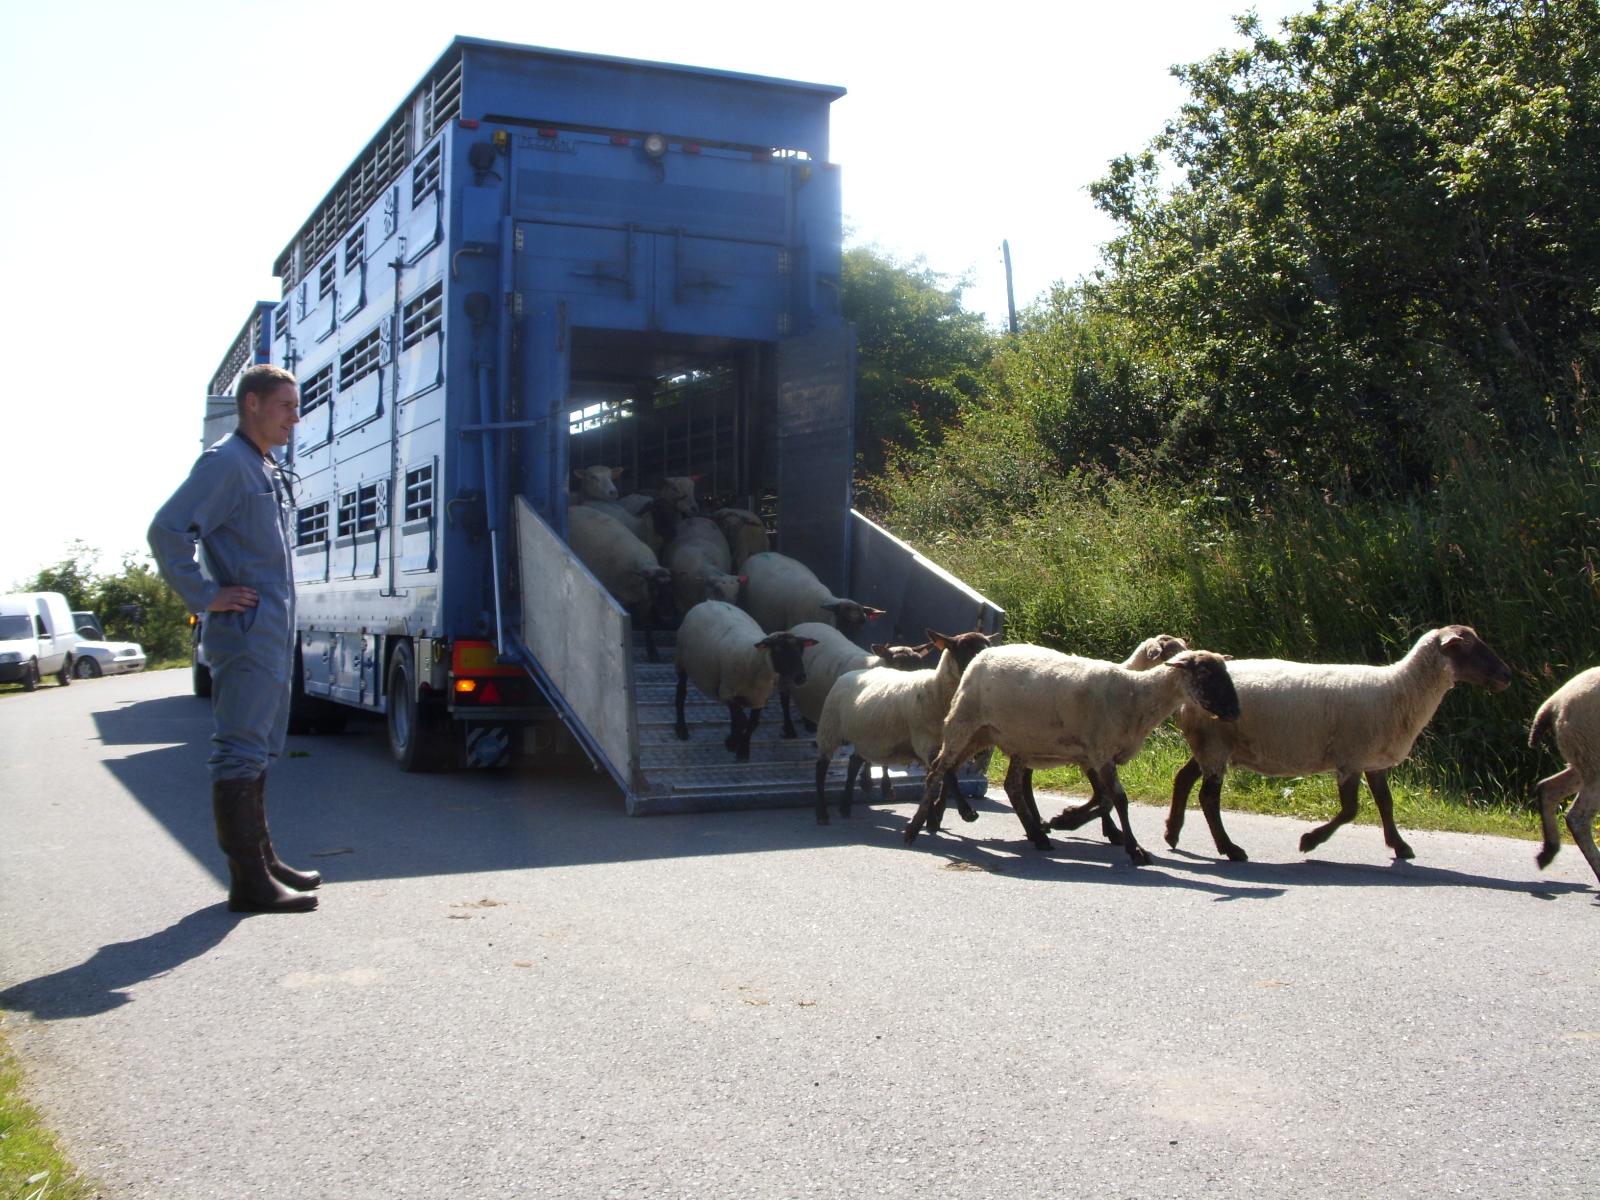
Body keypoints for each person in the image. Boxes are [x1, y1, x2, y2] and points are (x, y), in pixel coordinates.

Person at [149, 364, 318, 913]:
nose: (297, 416)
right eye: (287, 405)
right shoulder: (226, 463)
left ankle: (264, 860)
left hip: (267, 628)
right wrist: (205, 595)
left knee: (262, 743)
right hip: (245, 630)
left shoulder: (258, 464)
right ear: (252, 404)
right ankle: (249, 881)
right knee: (241, 747)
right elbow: (168, 529)